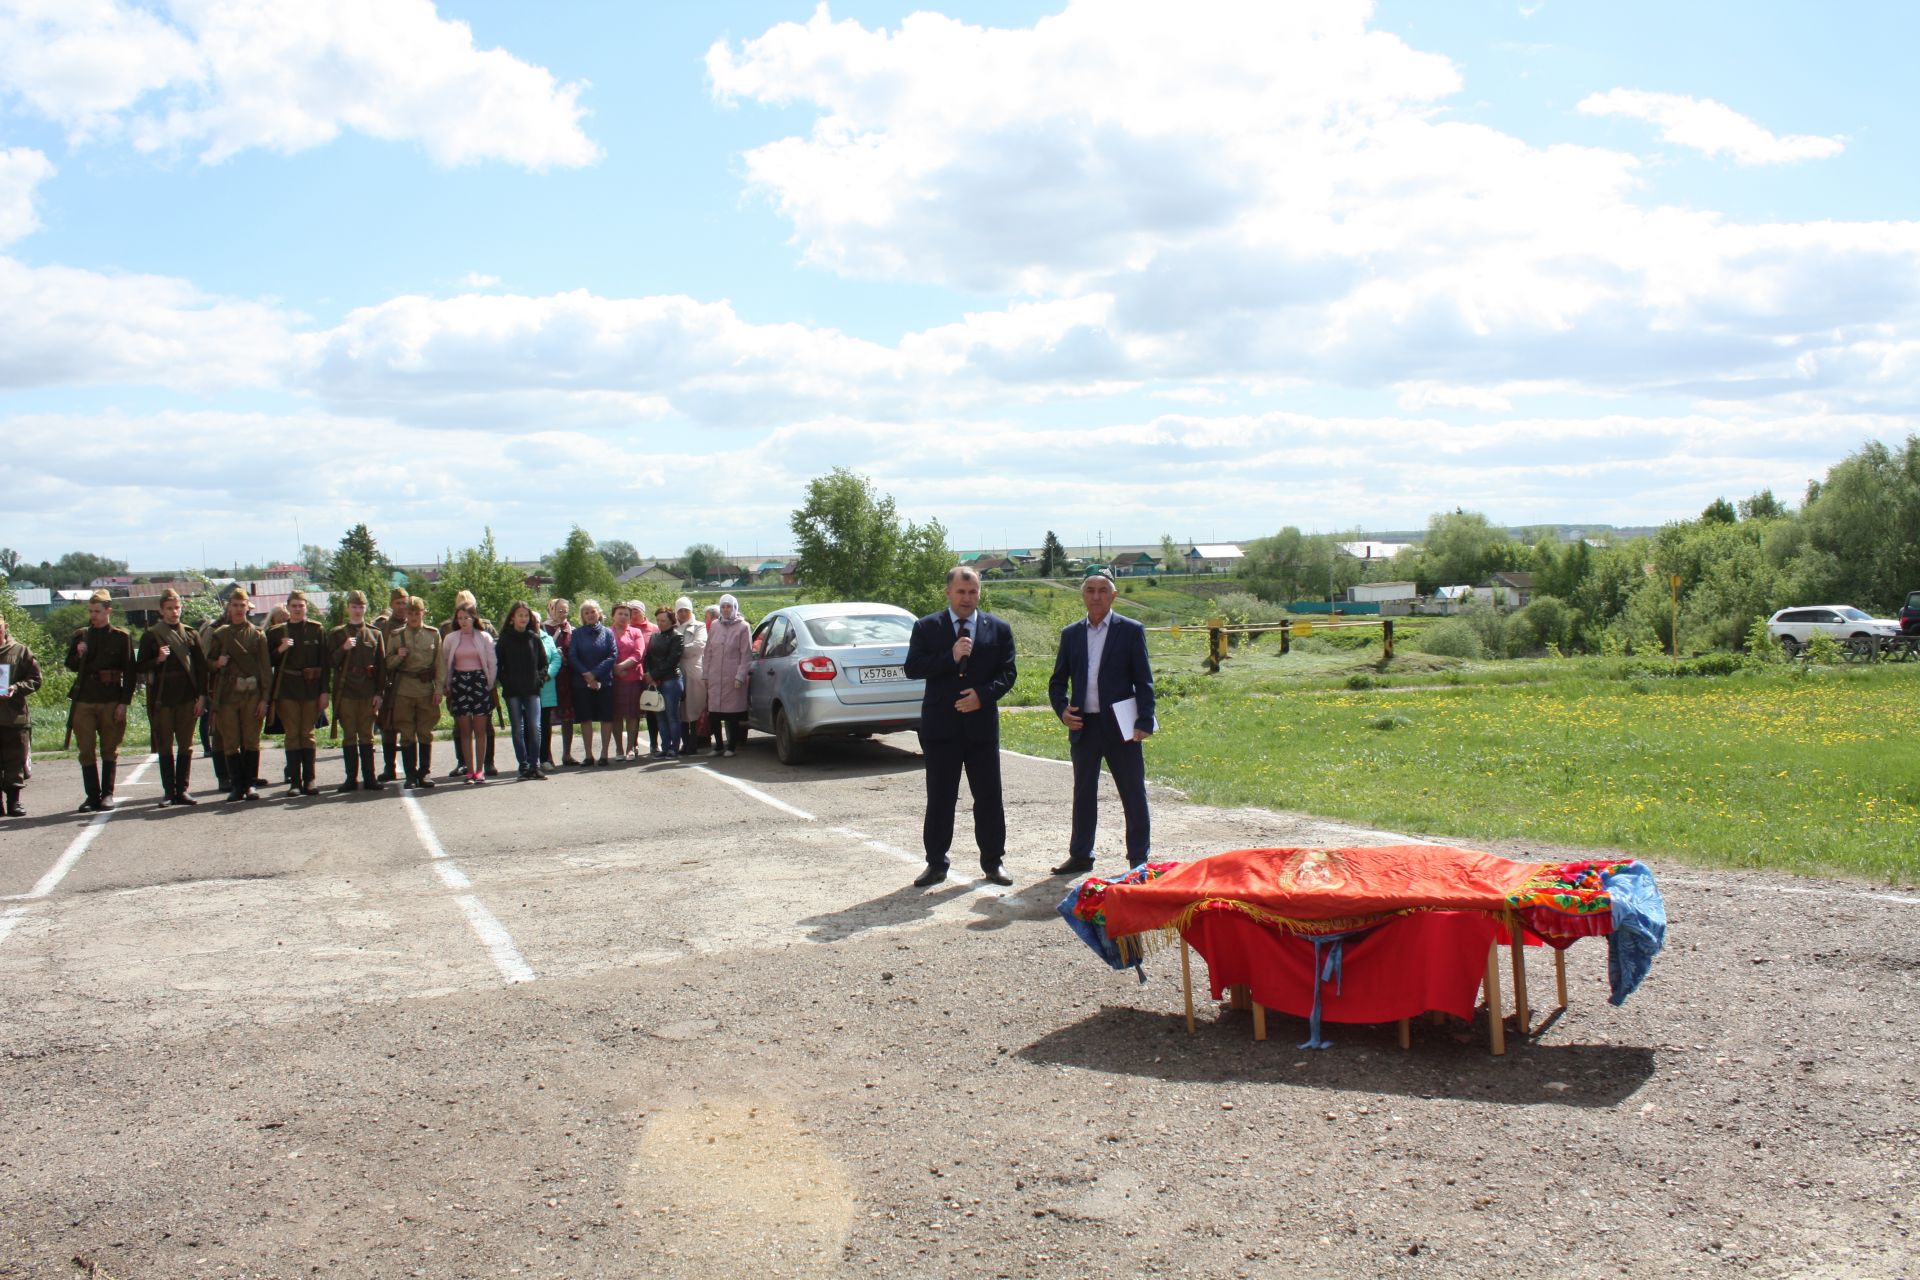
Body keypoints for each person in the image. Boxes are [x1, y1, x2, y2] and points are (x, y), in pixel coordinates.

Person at [902, 566, 1019, 887]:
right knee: (940, 798)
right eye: (961, 592)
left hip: (981, 729)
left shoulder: (998, 628)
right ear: (948, 593)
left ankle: (993, 862)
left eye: (973, 592)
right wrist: (949, 656)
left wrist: (982, 696)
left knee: (989, 798)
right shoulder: (927, 627)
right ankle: (936, 863)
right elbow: (913, 667)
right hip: (942, 729)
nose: (967, 598)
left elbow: (1008, 673)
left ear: (979, 592)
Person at [1047, 571, 1157, 875]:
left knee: (1133, 791)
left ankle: (1138, 858)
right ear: (1083, 595)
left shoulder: (1131, 630)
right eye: (1090, 590)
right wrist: (1062, 710)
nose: (1096, 596)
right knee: (1083, 792)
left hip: (1122, 725)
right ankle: (1081, 854)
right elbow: (1057, 682)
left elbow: (1144, 680)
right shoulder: (1071, 634)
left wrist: (1145, 719)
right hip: (1084, 727)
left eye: (1102, 590)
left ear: (1113, 595)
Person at [134, 587, 208, 806]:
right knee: (165, 745)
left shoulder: (191, 634)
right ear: (161, 610)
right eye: (169, 608)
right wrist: (157, 660)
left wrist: (202, 696)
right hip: (163, 698)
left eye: (177, 607)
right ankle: (169, 792)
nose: (174, 612)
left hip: (187, 697)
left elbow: (202, 669)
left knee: (186, 745)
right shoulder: (152, 635)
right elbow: (139, 666)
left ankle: (182, 790)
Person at [64, 589, 136, 812]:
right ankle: (92, 796)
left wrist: (124, 703)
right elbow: (71, 664)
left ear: (108, 611)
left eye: (97, 611)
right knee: (85, 749)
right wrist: (78, 653)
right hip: (85, 698)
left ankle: (107, 794)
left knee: (109, 748)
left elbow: (131, 672)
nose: (93, 615)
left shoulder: (121, 637)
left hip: (110, 698)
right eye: (91, 611)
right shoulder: (82, 635)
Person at [206, 588, 270, 803]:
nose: (238, 609)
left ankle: (250, 784)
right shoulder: (220, 635)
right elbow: (207, 663)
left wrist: (264, 699)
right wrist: (217, 663)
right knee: (231, 742)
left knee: (251, 741)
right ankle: (236, 785)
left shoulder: (258, 634)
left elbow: (264, 669)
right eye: (234, 605)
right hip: (228, 696)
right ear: (229, 607)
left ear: (247, 607)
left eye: (242, 605)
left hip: (252, 695)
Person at [267, 590, 329, 797]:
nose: (297, 609)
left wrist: (324, 691)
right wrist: (281, 649)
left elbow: (324, 663)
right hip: (288, 689)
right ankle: (294, 782)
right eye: (293, 606)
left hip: (311, 689)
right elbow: (267, 661)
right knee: (292, 735)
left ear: (306, 607)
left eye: (301, 606)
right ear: (288, 607)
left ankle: (310, 780)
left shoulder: (316, 630)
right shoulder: (277, 632)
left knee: (308, 735)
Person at [327, 589, 386, 794]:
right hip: (346, 693)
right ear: (348, 608)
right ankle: (351, 778)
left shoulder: (375, 633)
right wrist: (343, 648)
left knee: (367, 736)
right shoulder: (337, 634)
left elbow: (381, 667)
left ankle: (369, 777)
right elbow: (330, 663)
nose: (358, 610)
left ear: (365, 608)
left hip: (368, 692)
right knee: (349, 736)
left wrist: (379, 693)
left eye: (361, 607)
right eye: (354, 607)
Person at [439, 591, 500, 778]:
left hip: (480, 684)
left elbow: (492, 663)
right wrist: (446, 685)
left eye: (467, 617)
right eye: (460, 618)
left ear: (474, 617)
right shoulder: (450, 637)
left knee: (481, 729)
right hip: (459, 684)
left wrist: (489, 684)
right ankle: (468, 769)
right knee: (464, 730)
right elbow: (445, 662)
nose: (463, 621)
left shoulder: (485, 636)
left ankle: (481, 769)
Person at [389, 596, 443, 789]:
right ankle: (410, 775)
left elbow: (440, 664)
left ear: (423, 613)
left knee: (425, 732)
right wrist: (397, 657)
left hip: (426, 689)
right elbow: (386, 663)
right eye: (410, 613)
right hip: (404, 689)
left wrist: (439, 688)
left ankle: (425, 773)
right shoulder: (396, 636)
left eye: (417, 613)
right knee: (406, 732)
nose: (413, 617)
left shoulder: (433, 634)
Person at [496, 600, 549, 780]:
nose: (523, 619)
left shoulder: (534, 638)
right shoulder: (504, 640)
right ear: (512, 618)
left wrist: (539, 680)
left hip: (532, 690)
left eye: (526, 616)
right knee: (518, 729)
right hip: (513, 692)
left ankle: (535, 765)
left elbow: (543, 664)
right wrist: (507, 682)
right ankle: (523, 766)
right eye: (520, 615)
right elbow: (499, 666)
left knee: (535, 727)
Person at [0, 614, 42, 817]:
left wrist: (16, 688)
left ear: (5, 627)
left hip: (13, 717)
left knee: (15, 760)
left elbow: (35, 679)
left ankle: (14, 802)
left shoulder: (20, 651)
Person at [566, 599, 616, 766]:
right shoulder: (577, 634)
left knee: (606, 717)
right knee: (585, 718)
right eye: (586, 612)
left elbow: (612, 655)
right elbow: (572, 656)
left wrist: (595, 674)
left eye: (593, 611)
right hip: (582, 683)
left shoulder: (608, 633)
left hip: (604, 682)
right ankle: (588, 755)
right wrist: (587, 675)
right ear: (582, 616)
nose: (590, 615)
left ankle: (604, 754)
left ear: (599, 613)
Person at [704, 595, 752, 758]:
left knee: (731, 714)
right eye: (723, 606)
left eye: (728, 607)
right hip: (715, 675)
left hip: (733, 676)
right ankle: (718, 745)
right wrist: (706, 674)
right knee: (714, 713)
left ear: (734, 607)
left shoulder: (743, 627)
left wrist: (740, 676)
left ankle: (731, 746)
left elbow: (745, 654)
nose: (725, 610)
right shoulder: (715, 625)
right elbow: (708, 651)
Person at [374, 586, 412, 782]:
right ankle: (389, 767)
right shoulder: (382, 627)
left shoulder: (414, 624)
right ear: (391, 604)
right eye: (398, 603)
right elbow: (378, 659)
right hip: (389, 682)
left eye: (404, 603)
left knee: (408, 726)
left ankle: (412, 770)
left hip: (410, 682)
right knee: (387, 726)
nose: (401, 607)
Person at [644, 604, 684, 759]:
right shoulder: (654, 636)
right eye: (658, 620)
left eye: (663, 620)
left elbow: (672, 661)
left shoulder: (677, 636)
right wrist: (649, 674)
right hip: (656, 681)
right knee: (659, 716)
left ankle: (674, 747)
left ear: (671, 620)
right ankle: (665, 747)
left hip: (671, 680)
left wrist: (653, 675)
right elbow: (647, 658)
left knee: (672, 715)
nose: (660, 623)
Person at [609, 602, 646, 761]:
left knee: (632, 715)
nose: (623, 617)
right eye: (620, 613)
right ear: (613, 615)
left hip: (632, 679)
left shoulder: (636, 632)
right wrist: (614, 668)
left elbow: (639, 653)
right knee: (616, 715)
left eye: (626, 614)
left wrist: (622, 666)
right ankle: (619, 748)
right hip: (612, 681)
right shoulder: (606, 632)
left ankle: (631, 748)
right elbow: (602, 653)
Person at [542, 598, 575, 766]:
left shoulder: (570, 629)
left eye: (565, 610)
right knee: (547, 719)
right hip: (549, 679)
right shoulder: (543, 628)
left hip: (566, 679)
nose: (562, 614)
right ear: (551, 610)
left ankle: (567, 754)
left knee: (568, 719)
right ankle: (547, 756)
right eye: (559, 610)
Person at [675, 598, 709, 756]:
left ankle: (694, 742)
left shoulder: (699, 625)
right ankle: (685, 743)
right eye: (680, 610)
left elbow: (699, 645)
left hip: (695, 671)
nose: (683, 613)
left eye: (685, 610)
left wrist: (676, 649)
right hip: (676, 671)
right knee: (681, 709)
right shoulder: (672, 626)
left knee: (695, 708)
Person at [536, 611, 563, 769]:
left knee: (545, 725)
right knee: (530, 725)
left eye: (536, 621)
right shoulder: (522, 637)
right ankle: (531, 759)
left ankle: (545, 758)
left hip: (546, 686)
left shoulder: (546, 638)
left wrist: (548, 674)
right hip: (528, 688)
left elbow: (555, 657)